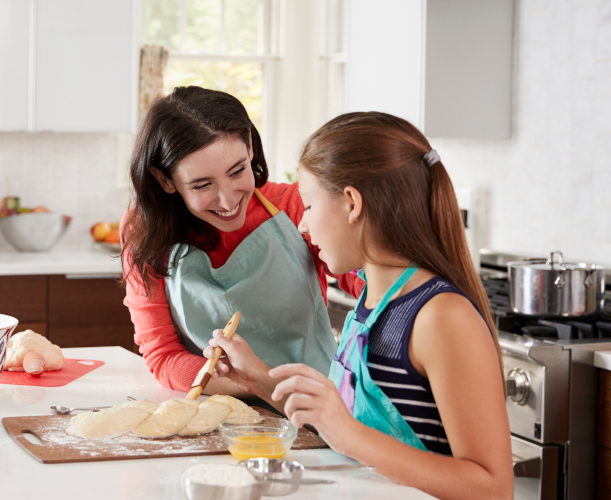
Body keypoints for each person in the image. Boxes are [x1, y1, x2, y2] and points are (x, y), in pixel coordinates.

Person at [205, 112, 513, 499]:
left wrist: (349, 434)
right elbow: (343, 425)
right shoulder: (371, 300)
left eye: (309, 206)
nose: (303, 226)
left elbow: (492, 488)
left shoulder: (440, 316)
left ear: (351, 203)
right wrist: (258, 379)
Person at [120, 86, 365, 397]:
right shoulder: (144, 230)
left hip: (315, 407)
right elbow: (163, 356)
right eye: (202, 185)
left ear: (249, 145)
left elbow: (372, 287)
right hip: (219, 410)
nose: (227, 200)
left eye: (237, 171)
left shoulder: (295, 207)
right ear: (165, 180)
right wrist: (248, 384)